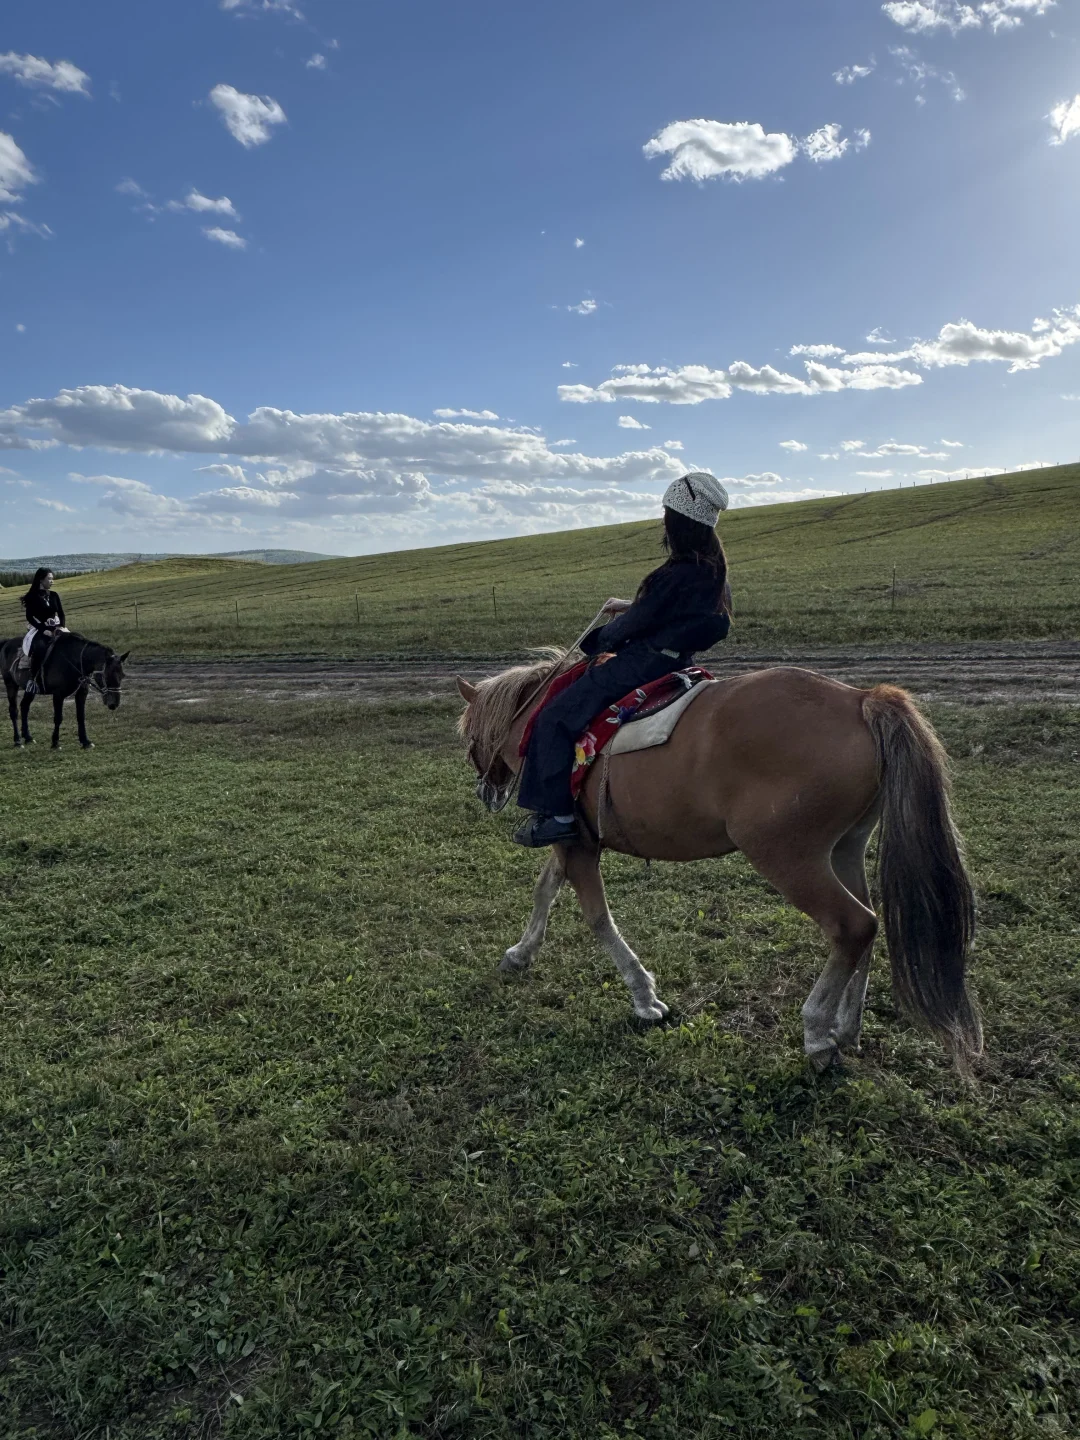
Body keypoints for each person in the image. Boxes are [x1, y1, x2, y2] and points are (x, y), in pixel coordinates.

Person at [514, 471, 732, 847]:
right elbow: (698, 619)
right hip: (678, 663)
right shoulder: (714, 572)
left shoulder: (674, 574)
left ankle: (558, 816)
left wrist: (597, 639)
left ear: (676, 522)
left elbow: (635, 625)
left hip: (643, 663)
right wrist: (635, 606)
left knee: (555, 717)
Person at [14, 568, 68, 685]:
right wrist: (43, 630)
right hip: (40, 629)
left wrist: (61, 627)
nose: (52, 581)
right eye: (49, 579)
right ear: (41, 580)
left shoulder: (54, 595)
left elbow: (61, 613)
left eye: (52, 579)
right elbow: (30, 617)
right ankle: (33, 680)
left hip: (57, 627)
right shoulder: (32, 597)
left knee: (73, 643)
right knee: (39, 647)